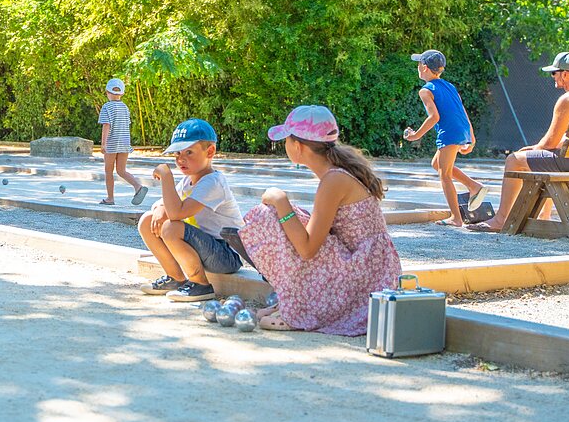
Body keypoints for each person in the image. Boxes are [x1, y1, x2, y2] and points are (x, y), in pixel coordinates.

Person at [240, 105, 401, 334]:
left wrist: (280, 199)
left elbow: (307, 249)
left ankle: (301, 308)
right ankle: (297, 301)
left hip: (365, 275)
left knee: (268, 216)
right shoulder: (335, 174)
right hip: (364, 265)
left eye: (286, 140)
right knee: (289, 216)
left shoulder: (334, 180)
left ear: (297, 146)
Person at [471, 51, 569, 232]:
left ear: (565, 74)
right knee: (545, 159)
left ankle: (501, 219)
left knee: (514, 160)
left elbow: (549, 143)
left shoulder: (568, 99)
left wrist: (528, 150)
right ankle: (544, 216)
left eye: (554, 73)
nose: (553, 77)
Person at [138, 119, 243, 302]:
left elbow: (177, 213)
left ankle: (201, 285)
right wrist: (160, 207)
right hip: (206, 248)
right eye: (177, 153)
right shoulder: (188, 180)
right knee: (147, 220)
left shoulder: (213, 181)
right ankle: (176, 278)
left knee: (171, 227)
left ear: (209, 151)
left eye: (189, 152)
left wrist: (166, 176)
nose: (180, 159)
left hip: (227, 254)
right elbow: (165, 205)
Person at [401, 50, 489, 226]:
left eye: (419, 64)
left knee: (445, 175)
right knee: (438, 165)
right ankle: (473, 186)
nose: (418, 67)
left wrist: (415, 135)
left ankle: (456, 218)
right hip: (460, 130)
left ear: (424, 67)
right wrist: (470, 136)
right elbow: (462, 111)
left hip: (449, 133)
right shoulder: (450, 86)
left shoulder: (425, 91)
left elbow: (434, 118)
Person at [97, 77, 147, 206]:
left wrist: (103, 144)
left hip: (112, 144)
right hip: (124, 142)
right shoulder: (125, 107)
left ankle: (110, 198)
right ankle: (138, 186)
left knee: (109, 171)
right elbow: (126, 125)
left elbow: (106, 125)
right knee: (121, 170)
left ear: (107, 92)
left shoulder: (107, 107)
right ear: (122, 93)